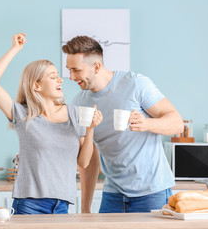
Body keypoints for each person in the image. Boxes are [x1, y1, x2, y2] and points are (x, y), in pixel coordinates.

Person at [62, 36, 184, 213]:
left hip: (152, 192)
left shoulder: (135, 83)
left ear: (96, 67)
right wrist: (85, 208)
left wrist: (147, 124)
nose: (71, 77)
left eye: (76, 70)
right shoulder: (80, 103)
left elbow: (177, 123)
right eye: (69, 70)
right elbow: (89, 160)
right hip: (113, 195)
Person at [0, 33, 103, 214]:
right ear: (36, 86)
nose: (61, 79)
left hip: (62, 205)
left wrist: (90, 130)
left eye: (58, 76)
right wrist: (15, 49)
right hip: (29, 205)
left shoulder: (74, 113)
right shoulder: (23, 114)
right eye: (53, 76)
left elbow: (84, 162)